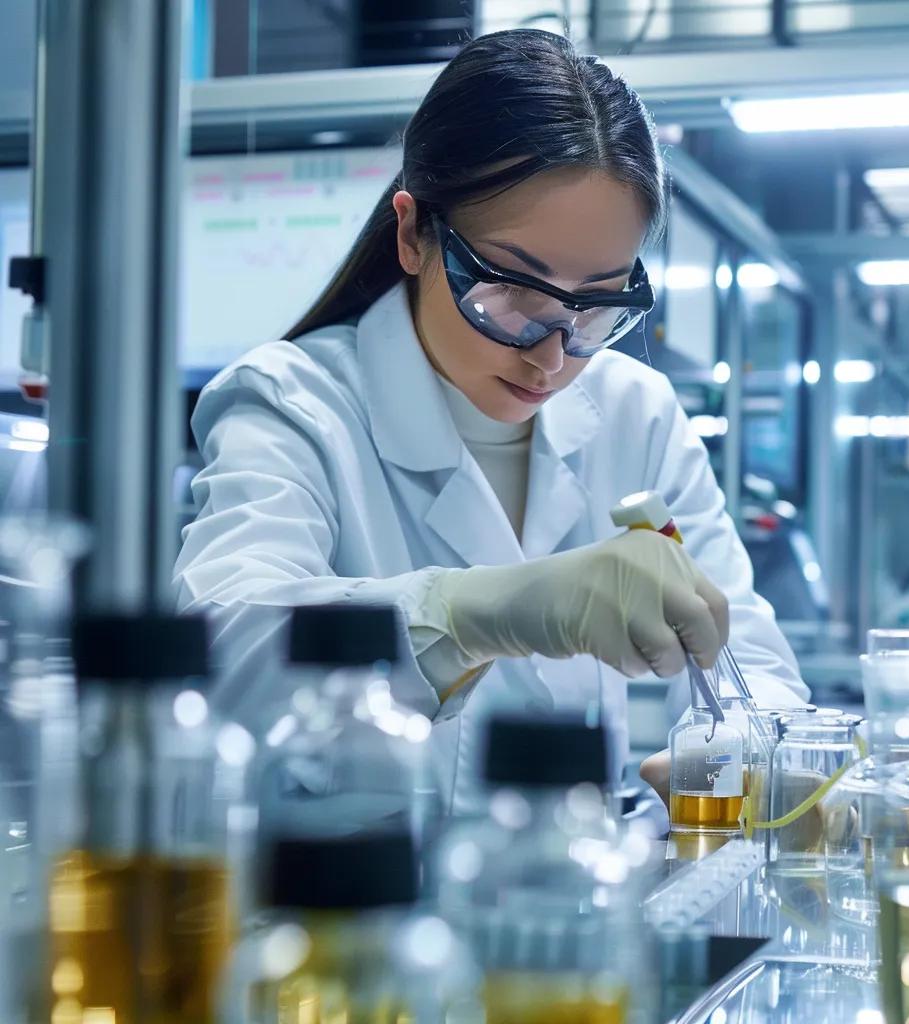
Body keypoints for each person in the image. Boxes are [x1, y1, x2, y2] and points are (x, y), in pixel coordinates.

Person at [173, 29, 807, 819]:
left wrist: (737, 753)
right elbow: (218, 656)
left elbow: (748, 656)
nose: (551, 356)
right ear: (413, 234)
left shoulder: (635, 415)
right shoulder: (296, 402)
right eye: (511, 293)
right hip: (349, 916)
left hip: (565, 899)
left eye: (597, 305)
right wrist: (470, 612)